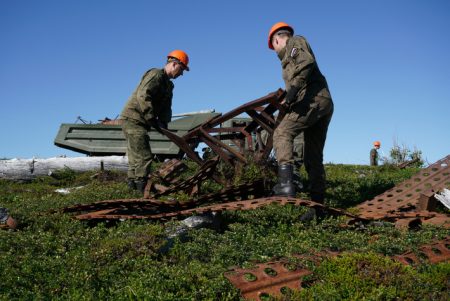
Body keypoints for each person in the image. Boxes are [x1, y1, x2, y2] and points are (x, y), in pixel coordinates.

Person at [268, 22, 334, 203]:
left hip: (312, 99)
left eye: (273, 47)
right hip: (323, 102)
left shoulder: (293, 42)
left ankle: (286, 185)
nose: (275, 52)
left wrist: (291, 93)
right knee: (312, 156)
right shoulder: (290, 55)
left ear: (276, 40)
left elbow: (306, 62)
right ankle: (317, 203)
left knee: (282, 133)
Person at [120, 50, 190, 192]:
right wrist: (151, 116)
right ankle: (141, 187)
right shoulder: (156, 75)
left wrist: (163, 123)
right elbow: (143, 95)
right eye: (181, 69)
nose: (182, 74)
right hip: (134, 117)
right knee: (143, 155)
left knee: (136, 154)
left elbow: (166, 107)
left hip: (141, 120)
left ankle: (134, 187)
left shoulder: (169, 85)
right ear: (174, 64)